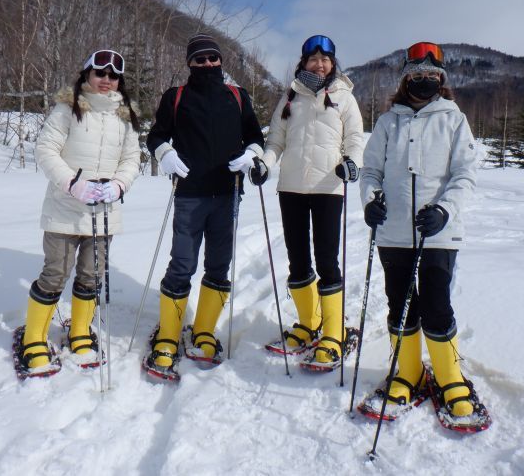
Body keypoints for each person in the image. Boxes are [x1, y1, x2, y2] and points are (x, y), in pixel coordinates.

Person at [358, 41, 482, 422]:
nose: (424, 81)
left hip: (438, 233)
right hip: (393, 232)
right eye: (417, 75)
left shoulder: (454, 119)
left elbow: (466, 173)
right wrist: (370, 200)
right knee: (400, 302)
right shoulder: (386, 122)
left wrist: (445, 210)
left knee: (436, 305)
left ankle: (449, 378)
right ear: (405, 79)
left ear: (440, 81)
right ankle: (407, 372)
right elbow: (370, 172)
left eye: (432, 76)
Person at [144, 34, 264, 379]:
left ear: (220, 61)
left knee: (218, 264)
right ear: (190, 63)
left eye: (213, 58)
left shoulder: (237, 96)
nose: (208, 64)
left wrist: (252, 154)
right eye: (200, 59)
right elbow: (156, 136)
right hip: (189, 194)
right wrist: (164, 154)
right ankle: (168, 336)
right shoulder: (176, 96)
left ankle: (205, 331)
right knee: (182, 263)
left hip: (228, 194)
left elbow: (256, 136)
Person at [18, 49, 141, 376]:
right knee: (55, 273)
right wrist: (72, 183)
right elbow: (45, 149)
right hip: (65, 208)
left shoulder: (125, 117)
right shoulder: (67, 108)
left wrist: (118, 185)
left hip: (104, 211)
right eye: (100, 72)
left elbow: (132, 160)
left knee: (91, 275)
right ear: (87, 74)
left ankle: (80, 331)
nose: (106, 80)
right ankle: (34, 337)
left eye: (113, 75)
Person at [252, 34, 364, 372]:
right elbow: (276, 139)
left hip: (328, 187)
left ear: (333, 63)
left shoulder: (345, 96)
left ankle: (333, 333)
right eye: (313, 58)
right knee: (298, 260)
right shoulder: (290, 96)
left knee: (328, 260)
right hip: (291, 188)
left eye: (325, 59)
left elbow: (355, 138)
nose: (319, 63)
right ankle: (307, 322)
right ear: (303, 62)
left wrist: (352, 162)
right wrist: (264, 164)